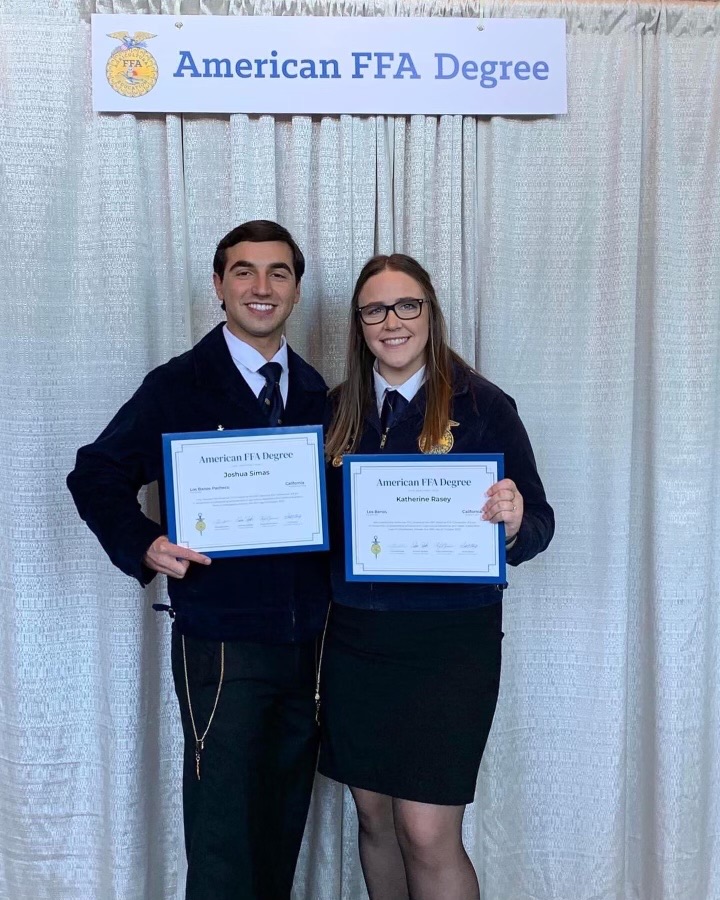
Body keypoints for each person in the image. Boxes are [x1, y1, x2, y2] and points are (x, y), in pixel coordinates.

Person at [67, 221, 329, 900]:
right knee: (223, 835)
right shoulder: (179, 384)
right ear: (219, 286)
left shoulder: (316, 393)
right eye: (244, 271)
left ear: (297, 289)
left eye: (278, 272)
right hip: (222, 645)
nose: (261, 287)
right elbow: (95, 473)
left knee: (281, 824)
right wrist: (145, 542)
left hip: (312, 646)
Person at [318, 253, 554, 900]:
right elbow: (305, 529)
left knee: (425, 830)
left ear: (430, 314)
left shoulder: (483, 405)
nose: (391, 321)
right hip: (357, 645)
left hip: (451, 649)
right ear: (359, 323)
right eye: (375, 309)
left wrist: (513, 522)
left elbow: (539, 524)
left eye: (407, 305)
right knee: (373, 817)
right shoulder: (336, 410)